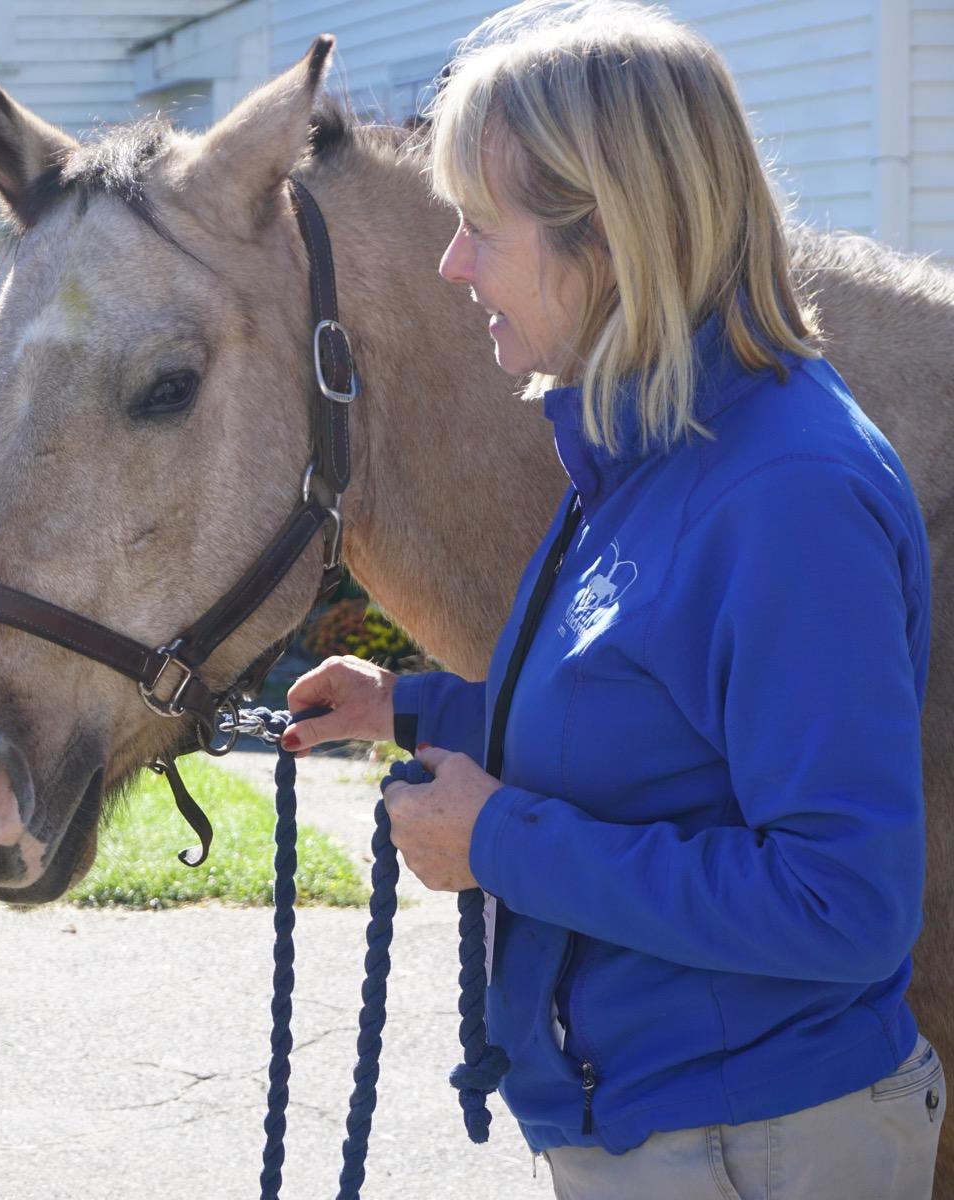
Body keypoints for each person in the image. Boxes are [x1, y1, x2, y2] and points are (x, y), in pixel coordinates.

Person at [283, 3, 942, 1196]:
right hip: (679, 1127)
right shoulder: (652, 447)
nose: (453, 265)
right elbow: (655, 726)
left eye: (482, 228)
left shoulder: (788, 491)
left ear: (611, 237)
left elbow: (843, 903)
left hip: (759, 1145)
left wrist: (499, 841)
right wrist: (418, 712)